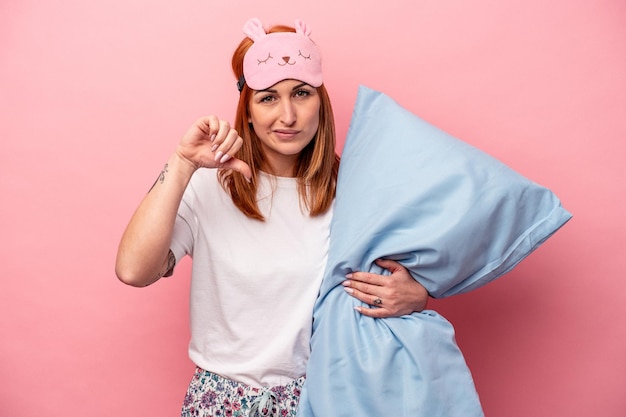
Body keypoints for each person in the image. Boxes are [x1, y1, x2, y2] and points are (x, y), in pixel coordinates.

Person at [115, 17, 429, 416]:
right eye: (268, 98)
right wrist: (181, 164)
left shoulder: (353, 192)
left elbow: (389, 279)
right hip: (221, 403)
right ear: (246, 111)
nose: (288, 116)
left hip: (323, 398)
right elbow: (133, 270)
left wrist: (417, 297)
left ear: (322, 102)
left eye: (301, 93)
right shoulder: (211, 185)